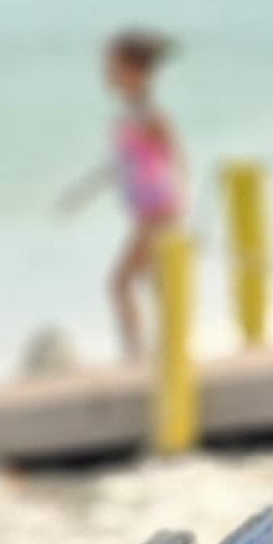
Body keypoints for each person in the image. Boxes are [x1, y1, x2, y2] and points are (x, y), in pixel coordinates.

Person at [57, 30, 187, 361]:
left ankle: (137, 355)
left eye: (113, 65)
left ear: (133, 69)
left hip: (158, 212)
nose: (107, 72)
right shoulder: (131, 114)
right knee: (152, 283)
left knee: (121, 283)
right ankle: (159, 352)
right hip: (149, 213)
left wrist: (176, 212)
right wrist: (79, 194)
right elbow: (117, 169)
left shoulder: (150, 115)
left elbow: (175, 162)